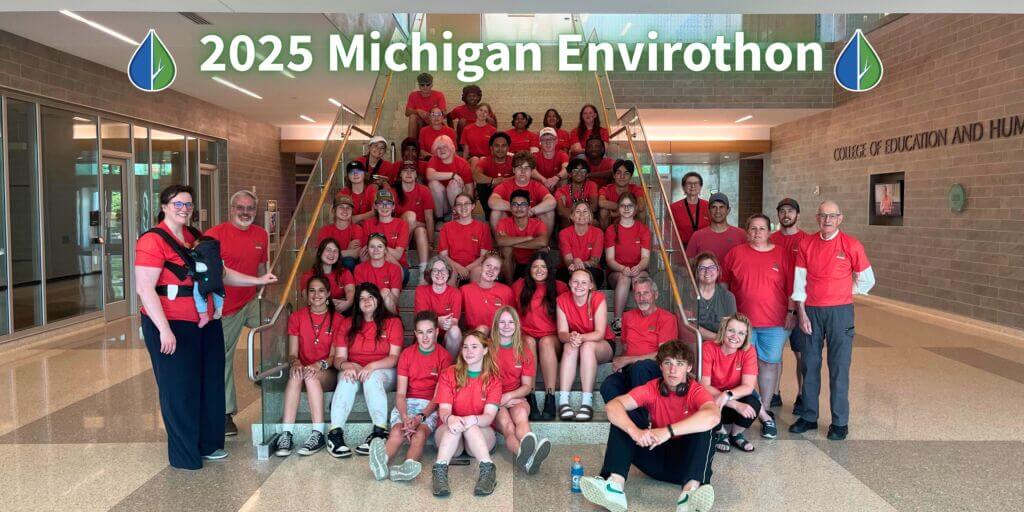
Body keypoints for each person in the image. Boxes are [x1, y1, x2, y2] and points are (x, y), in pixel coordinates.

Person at [135, 185, 276, 469]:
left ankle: (209, 444)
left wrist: (257, 280)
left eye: (188, 204)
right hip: (173, 323)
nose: (184, 209)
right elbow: (145, 288)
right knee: (179, 388)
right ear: (164, 206)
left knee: (210, 384)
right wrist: (163, 329)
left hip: (206, 322)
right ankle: (185, 454)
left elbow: (219, 273)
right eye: (178, 204)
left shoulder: (195, 237)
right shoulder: (152, 240)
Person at [578, 341, 718, 512]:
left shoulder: (696, 391)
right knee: (626, 417)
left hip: (685, 466)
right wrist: (635, 432)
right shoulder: (652, 388)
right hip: (653, 458)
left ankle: (690, 494)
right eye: (668, 363)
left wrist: (668, 431)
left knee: (706, 427)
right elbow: (612, 406)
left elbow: (713, 416)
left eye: (679, 364)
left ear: (689, 368)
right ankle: (614, 486)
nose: (673, 370)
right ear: (660, 366)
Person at [789, 200, 874, 441]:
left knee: (838, 367)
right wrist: (801, 312)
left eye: (832, 216)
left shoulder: (851, 245)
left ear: (840, 219)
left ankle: (839, 422)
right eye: (823, 215)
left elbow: (868, 280)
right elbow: (799, 282)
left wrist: (846, 291)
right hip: (811, 312)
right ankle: (808, 416)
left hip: (840, 313)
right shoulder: (807, 244)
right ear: (817, 218)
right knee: (809, 364)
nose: (827, 220)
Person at [204, 189, 269, 436]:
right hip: (225, 308)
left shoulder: (261, 234)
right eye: (240, 207)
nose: (245, 212)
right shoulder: (214, 235)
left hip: (250, 302)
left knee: (281, 324)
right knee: (222, 359)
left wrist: (263, 293)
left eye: (250, 208)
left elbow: (261, 268)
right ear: (231, 209)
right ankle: (224, 413)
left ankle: (268, 372)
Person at [720, 214, 791, 439]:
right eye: (753, 228)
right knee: (743, 368)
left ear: (769, 232)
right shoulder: (735, 254)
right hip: (742, 325)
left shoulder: (782, 254)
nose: (757, 232)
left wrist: (791, 312)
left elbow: (793, 287)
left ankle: (765, 410)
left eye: (762, 229)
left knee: (768, 364)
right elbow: (724, 286)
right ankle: (742, 410)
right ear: (747, 231)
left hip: (775, 322)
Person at [368, 311, 452, 482]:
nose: (425, 337)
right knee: (397, 431)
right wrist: (405, 417)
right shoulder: (406, 354)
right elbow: (400, 394)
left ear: (437, 332)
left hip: (430, 406)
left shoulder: (444, 357)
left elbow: (438, 397)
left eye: (429, 332)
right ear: (415, 334)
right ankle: (381, 463)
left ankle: (407, 466)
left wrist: (420, 417)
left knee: (420, 434)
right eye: (420, 332)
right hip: (407, 403)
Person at [327, 283, 404, 458]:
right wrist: (348, 366)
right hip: (355, 369)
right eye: (361, 298)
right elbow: (339, 358)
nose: (366, 301)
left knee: (372, 377)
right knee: (346, 377)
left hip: (384, 370)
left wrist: (371, 366)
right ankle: (335, 434)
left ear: (378, 299)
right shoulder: (347, 323)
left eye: (371, 297)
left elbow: (394, 358)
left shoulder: (392, 322)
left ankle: (380, 432)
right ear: (357, 303)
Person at [431, 330, 503, 497]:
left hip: (481, 435)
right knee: (454, 427)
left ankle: (488, 470)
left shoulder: (494, 379)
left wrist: (472, 419)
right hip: (451, 436)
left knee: (471, 426)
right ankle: (439, 472)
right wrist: (451, 418)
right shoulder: (449, 373)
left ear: (485, 350)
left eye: (474, 347)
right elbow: (444, 410)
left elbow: (489, 417)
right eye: (465, 347)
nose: (468, 351)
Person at [276, 276, 340, 457]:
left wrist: (319, 364)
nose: (316, 294)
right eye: (312, 290)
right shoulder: (296, 317)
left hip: (326, 372)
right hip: (304, 370)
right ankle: (286, 434)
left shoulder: (338, 319)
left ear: (328, 294)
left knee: (310, 376)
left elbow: (334, 356)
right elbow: (292, 353)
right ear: (306, 294)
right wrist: (295, 362)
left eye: (321, 290)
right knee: (296, 374)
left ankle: (318, 433)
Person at [599, 277, 678, 425]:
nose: (642, 298)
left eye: (646, 293)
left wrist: (628, 360)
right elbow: (626, 348)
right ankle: (633, 421)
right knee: (608, 386)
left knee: (640, 368)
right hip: (630, 370)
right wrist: (620, 362)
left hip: (652, 371)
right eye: (638, 294)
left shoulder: (667, 318)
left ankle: (641, 422)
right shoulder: (627, 317)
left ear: (655, 295)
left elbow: (664, 355)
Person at [491, 307, 552, 474]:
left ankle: (530, 456)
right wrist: (499, 400)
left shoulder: (523, 350)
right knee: (508, 427)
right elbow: (480, 383)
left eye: (510, 322)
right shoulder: (487, 349)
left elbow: (527, 386)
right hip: (493, 400)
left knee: (522, 416)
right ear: (496, 325)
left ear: (516, 325)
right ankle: (526, 457)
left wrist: (508, 396)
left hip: (515, 397)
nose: (506, 326)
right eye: (502, 322)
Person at [511, 252, 568, 421]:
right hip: (526, 335)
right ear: (529, 269)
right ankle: (531, 395)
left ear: (549, 269)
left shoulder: (560, 287)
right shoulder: (519, 286)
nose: (539, 270)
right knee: (528, 341)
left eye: (543, 266)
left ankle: (550, 397)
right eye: (535, 266)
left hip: (552, 338)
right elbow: (510, 313)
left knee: (546, 342)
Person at [556, 268, 613, 422]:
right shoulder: (562, 300)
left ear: (590, 285)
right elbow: (562, 333)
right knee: (569, 346)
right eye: (575, 281)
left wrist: (579, 338)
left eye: (583, 282)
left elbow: (599, 333)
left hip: (602, 345)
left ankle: (586, 403)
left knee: (587, 347)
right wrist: (570, 337)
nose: (579, 286)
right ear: (569, 283)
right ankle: (563, 401)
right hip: (577, 344)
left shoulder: (598, 298)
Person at [700, 314, 761, 454]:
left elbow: (748, 386)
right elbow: (705, 386)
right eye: (731, 330)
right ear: (723, 330)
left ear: (746, 336)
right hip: (714, 402)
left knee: (754, 403)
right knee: (701, 399)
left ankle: (735, 434)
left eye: (741, 333)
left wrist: (727, 395)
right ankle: (721, 432)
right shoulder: (708, 348)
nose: (735, 336)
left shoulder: (749, 351)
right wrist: (734, 404)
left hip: (730, 398)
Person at [770, 198, 809, 413]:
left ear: (797, 215)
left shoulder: (806, 240)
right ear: (778, 214)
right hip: (775, 305)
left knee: (801, 353)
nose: (786, 214)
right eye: (782, 211)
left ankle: (802, 395)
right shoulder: (771, 239)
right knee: (774, 353)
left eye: (791, 211)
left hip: (801, 306)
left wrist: (796, 309)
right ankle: (774, 393)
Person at [605, 192, 652, 334]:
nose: (626, 209)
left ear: (635, 208)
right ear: (618, 208)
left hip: (639, 270)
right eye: (623, 206)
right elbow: (609, 260)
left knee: (638, 278)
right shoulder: (611, 230)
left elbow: (645, 258)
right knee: (625, 278)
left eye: (630, 206)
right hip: (617, 272)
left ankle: (644, 319)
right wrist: (622, 268)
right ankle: (617, 320)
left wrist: (639, 267)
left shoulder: (643, 229)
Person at [488, 151, 557, 233]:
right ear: (514, 170)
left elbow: (552, 201)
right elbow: (492, 201)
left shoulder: (537, 186)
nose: (523, 171)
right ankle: (500, 240)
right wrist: (515, 208)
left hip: (531, 225)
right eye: (519, 167)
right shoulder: (505, 185)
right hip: (510, 225)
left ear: (531, 171)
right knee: (495, 213)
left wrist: (531, 211)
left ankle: (544, 240)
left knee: (549, 212)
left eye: (526, 168)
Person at [495, 189, 550, 282]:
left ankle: (539, 285)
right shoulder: (503, 222)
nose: (519, 208)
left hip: (533, 261)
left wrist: (510, 242)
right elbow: (500, 241)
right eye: (515, 204)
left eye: (523, 205)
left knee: (543, 250)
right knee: (506, 248)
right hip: (513, 262)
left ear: (529, 207)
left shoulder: (538, 223)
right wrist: (528, 238)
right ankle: (510, 285)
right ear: (511, 208)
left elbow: (543, 242)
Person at [414, 256, 464, 358]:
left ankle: (450, 364)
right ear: (429, 273)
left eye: (443, 270)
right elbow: (422, 320)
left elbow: (455, 321)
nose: (439, 273)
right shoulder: (421, 291)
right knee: (428, 328)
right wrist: (437, 321)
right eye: (435, 270)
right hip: (426, 333)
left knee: (455, 331)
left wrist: (445, 322)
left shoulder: (455, 293)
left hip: (446, 335)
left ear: (448, 273)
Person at [438, 192, 493, 284]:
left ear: (473, 206)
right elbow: (443, 255)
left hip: (474, 266)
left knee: (478, 271)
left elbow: (484, 256)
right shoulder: (446, 227)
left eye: (466, 203)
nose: (463, 207)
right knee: (449, 271)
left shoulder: (483, 227)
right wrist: (459, 268)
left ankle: (474, 293)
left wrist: (468, 268)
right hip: (453, 266)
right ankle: (451, 293)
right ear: (455, 208)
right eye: (459, 204)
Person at [361, 188, 411, 285]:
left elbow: (398, 254)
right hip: (374, 266)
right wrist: (383, 249)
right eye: (380, 203)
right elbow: (365, 253)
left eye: (388, 203)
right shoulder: (368, 224)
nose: (384, 206)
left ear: (393, 206)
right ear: (375, 206)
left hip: (398, 266)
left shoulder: (402, 224)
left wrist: (376, 247)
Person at [459, 252, 515, 333]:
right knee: (482, 329)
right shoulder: (465, 290)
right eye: (488, 266)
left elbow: (512, 318)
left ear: (499, 273)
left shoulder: (506, 291)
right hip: (474, 335)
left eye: (496, 268)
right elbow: (458, 316)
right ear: (481, 267)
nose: (491, 270)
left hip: (498, 334)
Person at [394, 161, 435, 270]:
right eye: (405, 170)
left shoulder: (424, 190)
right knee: (410, 216)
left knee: (420, 230)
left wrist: (431, 242)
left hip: (418, 235)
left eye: (412, 171)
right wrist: (412, 222)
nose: (409, 173)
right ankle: (403, 253)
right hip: (398, 235)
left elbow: (429, 219)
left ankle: (423, 271)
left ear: (416, 174)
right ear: (400, 174)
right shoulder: (393, 191)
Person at [299, 237, 356, 314]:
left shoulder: (345, 272)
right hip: (318, 313)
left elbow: (350, 291)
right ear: (320, 252)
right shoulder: (308, 276)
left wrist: (347, 303)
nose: (332, 254)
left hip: (341, 311)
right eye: (328, 250)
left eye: (335, 251)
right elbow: (308, 300)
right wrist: (329, 303)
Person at [685, 192, 746, 263]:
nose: (718, 211)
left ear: (728, 210)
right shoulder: (697, 236)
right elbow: (689, 265)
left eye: (721, 207)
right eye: (714, 207)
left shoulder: (741, 235)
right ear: (708, 211)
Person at [426, 135, 474, 221]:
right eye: (438, 148)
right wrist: (452, 175)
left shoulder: (462, 163)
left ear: (452, 147)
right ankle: (439, 218)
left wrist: (469, 208)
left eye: (445, 146)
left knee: (454, 183)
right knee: (433, 183)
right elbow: (429, 175)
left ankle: (457, 216)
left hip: (458, 203)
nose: (442, 150)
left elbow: (470, 189)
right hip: (443, 205)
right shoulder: (434, 160)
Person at [557, 201, 605, 287]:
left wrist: (581, 263)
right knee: (565, 275)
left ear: (590, 216)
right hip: (569, 269)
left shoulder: (598, 233)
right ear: (572, 216)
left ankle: (590, 296)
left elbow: (595, 261)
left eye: (585, 211)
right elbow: (568, 260)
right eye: (578, 211)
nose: (582, 214)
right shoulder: (564, 233)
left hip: (591, 269)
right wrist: (574, 261)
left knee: (591, 275)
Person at [353, 233, 402, 314]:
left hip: (388, 311)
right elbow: (360, 297)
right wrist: (380, 295)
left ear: (385, 250)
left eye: (380, 246)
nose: (376, 250)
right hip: (368, 309)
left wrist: (384, 294)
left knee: (386, 292)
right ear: (367, 249)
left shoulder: (395, 269)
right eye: (372, 247)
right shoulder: (359, 269)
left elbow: (395, 301)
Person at [693, 252, 737, 342]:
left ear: (718, 271)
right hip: (693, 344)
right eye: (702, 268)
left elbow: (732, 327)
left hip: (719, 345)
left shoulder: (727, 297)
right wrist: (717, 337)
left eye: (712, 267)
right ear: (696, 272)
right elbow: (688, 326)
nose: (707, 271)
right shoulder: (687, 294)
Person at [472, 132, 513, 221]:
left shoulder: (514, 161)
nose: (500, 149)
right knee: (480, 185)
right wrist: (493, 180)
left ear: (508, 148)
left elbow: (522, 176)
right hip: (491, 195)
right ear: (491, 148)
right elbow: (476, 176)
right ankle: (488, 216)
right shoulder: (485, 161)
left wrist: (502, 181)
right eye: (497, 146)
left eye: (503, 146)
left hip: (509, 194)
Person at [317, 194, 363, 271]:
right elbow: (322, 254)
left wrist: (333, 252)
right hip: (329, 266)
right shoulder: (325, 230)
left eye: (348, 208)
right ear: (334, 210)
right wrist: (348, 251)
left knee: (348, 262)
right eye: (341, 207)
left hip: (349, 267)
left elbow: (356, 254)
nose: (345, 210)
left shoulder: (357, 229)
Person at [598, 159, 646, 228]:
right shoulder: (606, 189)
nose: (622, 176)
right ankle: (606, 234)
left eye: (626, 173)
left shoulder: (636, 189)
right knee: (603, 211)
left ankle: (639, 233)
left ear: (631, 176)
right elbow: (601, 203)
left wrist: (618, 213)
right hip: (611, 224)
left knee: (642, 212)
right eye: (618, 173)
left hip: (630, 220)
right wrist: (625, 208)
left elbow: (641, 206)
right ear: (614, 175)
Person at [555, 158, 599, 228]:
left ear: (587, 174)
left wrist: (580, 217)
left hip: (587, 221)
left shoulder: (592, 185)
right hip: (569, 224)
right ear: (570, 174)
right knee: (565, 219)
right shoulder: (561, 191)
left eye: (583, 171)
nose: (579, 173)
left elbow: (594, 206)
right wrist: (580, 218)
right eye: (575, 170)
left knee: (595, 223)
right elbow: (561, 211)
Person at [669, 171, 711, 246]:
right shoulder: (673, 208)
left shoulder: (709, 206)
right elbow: (668, 231)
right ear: (683, 187)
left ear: (701, 187)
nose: (693, 186)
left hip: (705, 247)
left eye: (696, 183)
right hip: (681, 248)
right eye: (689, 183)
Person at [406, 72, 446, 138]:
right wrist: (417, 111)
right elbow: (407, 112)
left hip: (434, 121)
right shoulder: (413, 95)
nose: (425, 87)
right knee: (413, 116)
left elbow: (443, 112)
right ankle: (411, 142)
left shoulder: (439, 95)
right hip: (420, 122)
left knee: (436, 118)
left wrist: (431, 115)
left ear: (431, 85)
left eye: (427, 84)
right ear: (419, 85)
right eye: (422, 85)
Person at [337, 160, 378, 224]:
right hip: (349, 227)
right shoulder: (345, 192)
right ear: (348, 176)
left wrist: (356, 218)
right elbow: (335, 212)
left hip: (369, 227)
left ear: (364, 174)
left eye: (359, 171)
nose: (355, 174)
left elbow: (376, 211)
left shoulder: (371, 189)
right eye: (352, 172)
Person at [533, 127, 569, 191]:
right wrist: (544, 180)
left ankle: (561, 196)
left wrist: (556, 178)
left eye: (551, 139)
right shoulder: (535, 155)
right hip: (540, 185)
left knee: (564, 179)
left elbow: (567, 168)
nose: (548, 142)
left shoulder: (562, 154)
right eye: (544, 139)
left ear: (556, 141)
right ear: (540, 142)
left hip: (557, 184)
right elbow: (532, 170)